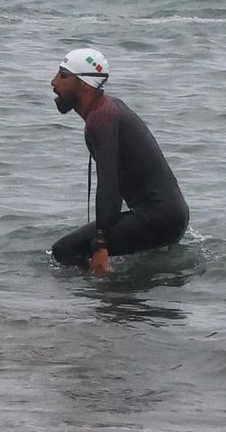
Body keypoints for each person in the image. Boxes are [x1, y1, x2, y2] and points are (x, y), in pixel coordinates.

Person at [49, 48, 188, 273]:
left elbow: (109, 185)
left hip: (158, 218)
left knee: (64, 251)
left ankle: (102, 294)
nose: (54, 82)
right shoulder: (107, 109)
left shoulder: (101, 117)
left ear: (84, 84)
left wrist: (100, 244)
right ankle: (118, 297)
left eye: (63, 76)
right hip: (171, 217)